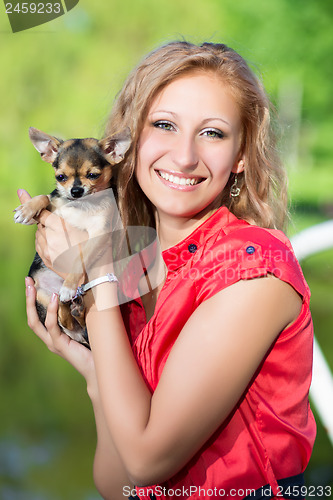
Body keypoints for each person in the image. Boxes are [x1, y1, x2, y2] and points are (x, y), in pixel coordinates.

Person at [20, 41, 316, 500]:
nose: (183, 156)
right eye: (164, 125)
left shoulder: (253, 268)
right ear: (129, 145)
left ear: (240, 155)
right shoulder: (138, 265)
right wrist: (95, 372)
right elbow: (118, 485)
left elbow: (146, 461)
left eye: (213, 133)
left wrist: (91, 275)